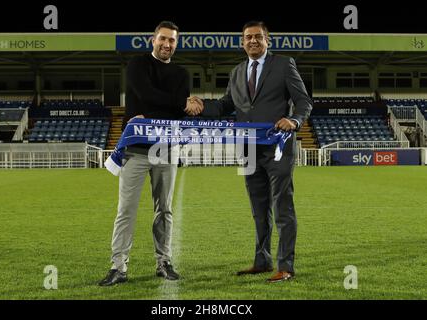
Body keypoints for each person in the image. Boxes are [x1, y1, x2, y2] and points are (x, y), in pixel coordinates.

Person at [196, 21, 312, 282]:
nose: (253, 41)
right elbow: (226, 105)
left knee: (282, 207)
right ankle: (262, 261)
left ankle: (286, 267)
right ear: (242, 42)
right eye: (248, 37)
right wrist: (198, 105)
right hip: (247, 149)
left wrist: (294, 120)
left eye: (258, 37)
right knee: (258, 209)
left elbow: (303, 100)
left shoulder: (283, 64)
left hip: (277, 149)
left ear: (268, 40)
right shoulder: (237, 71)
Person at [98, 21, 203, 286]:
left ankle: (163, 262)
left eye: (172, 41)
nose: (167, 45)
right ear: (153, 40)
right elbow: (145, 94)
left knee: (164, 210)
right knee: (126, 210)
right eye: (163, 39)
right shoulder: (136, 64)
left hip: (166, 148)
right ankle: (118, 267)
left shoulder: (182, 74)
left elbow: (172, 112)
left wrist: (154, 113)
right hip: (135, 148)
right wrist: (177, 104)